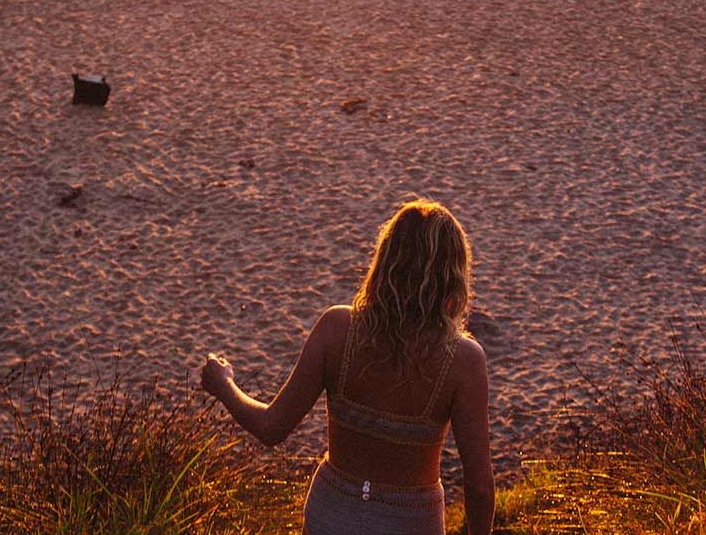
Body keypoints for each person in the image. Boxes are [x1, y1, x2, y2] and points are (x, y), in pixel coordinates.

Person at [201, 199, 495, 535]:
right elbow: (480, 489)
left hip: (332, 515)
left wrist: (224, 384)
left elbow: (272, 427)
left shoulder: (336, 328)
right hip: (410, 523)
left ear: (385, 260)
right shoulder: (463, 360)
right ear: (453, 275)